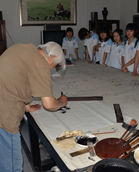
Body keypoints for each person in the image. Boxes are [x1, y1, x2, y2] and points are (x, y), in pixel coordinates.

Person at [0, 42, 67, 172]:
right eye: (53, 66)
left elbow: (16, 79)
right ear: (51, 57)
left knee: (3, 154)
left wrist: (27, 107)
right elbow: (49, 104)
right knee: (12, 166)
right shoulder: (40, 63)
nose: (51, 69)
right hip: (4, 114)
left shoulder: (23, 48)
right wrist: (62, 101)